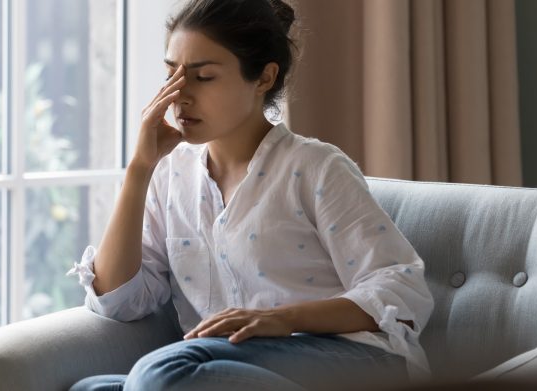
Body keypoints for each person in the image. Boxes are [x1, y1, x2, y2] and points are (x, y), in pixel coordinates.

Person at [66, 0, 434, 389]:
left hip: (349, 358)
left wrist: (285, 319)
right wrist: (139, 170)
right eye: (171, 75)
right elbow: (117, 302)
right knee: (89, 389)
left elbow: (401, 289)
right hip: (230, 366)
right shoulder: (170, 176)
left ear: (263, 78)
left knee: (162, 374)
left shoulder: (315, 167)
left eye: (202, 77)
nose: (179, 95)